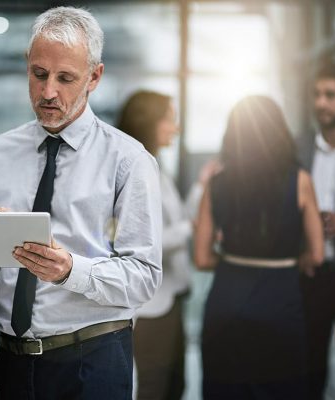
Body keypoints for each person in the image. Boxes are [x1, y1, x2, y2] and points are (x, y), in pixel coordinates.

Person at [0, 6, 162, 399]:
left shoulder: (129, 161)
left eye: (66, 78)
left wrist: (71, 270)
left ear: (94, 77)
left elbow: (145, 279)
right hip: (12, 363)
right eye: (39, 74)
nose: (48, 92)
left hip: (94, 361)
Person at [194, 96, 324, 399]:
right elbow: (317, 254)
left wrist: (232, 261)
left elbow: (201, 258)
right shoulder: (300, 180)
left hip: (226, 304)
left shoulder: (216, 183)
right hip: (280, 305)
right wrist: (296, 259)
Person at [117, 90, 190, 400]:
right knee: (153, 389)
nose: (175, 128)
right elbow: (148, 241)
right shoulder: (134, 171)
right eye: (170, 120)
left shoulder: (156, 167)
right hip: (150, 307)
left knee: (173, 387)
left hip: (168, 298)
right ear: (149, 123)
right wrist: (193, 227)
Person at [296, 61, 335, 399]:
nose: (321, 103)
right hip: (311, 274)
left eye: (331, 95)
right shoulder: (298, 149)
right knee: (308, 371)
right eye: (317, 95)